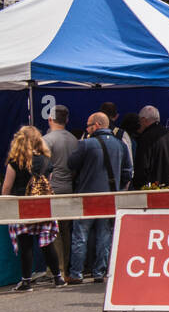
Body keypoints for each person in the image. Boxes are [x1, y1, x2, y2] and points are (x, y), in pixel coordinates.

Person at [66, 112, 131, 284]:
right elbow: (127, 172)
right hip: (110, 197)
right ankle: (99, 272)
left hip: (87, 197)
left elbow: (71, 164)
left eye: (88, 125)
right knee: (105, 236)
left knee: (80, 235)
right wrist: (117, 186)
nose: (87, 129)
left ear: (96, 125)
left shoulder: (86, 144)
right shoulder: (121, 145)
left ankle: (76, 273)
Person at [3, 126, 63, 291]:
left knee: (26, 243)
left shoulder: (15, 163)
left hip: (22, 206)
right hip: (43, 205)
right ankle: (58, 278)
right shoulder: (46, 161)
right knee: (47, 242)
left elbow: (7, 188)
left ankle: (26, 281)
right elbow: (47, 184)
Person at [44, 105, 78, 278]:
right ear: (67, 120)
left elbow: (43, 167)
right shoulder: (74, 140)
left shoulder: (47, 140)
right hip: (69, 188)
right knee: (66, 230)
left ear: (50, 119)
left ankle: (58, 269)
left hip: (53, 189)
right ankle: (65, 269)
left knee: (54, 230)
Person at [131, 105, 169, 189]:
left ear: (144, 120)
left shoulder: (145, 137)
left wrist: (138, 185)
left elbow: (142, 166)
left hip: (155, 188)